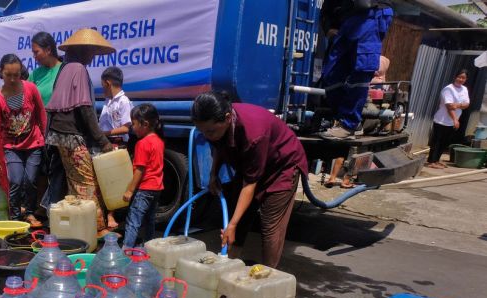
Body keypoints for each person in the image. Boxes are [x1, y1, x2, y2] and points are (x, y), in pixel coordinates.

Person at [192, 91, 309, 269]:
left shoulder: (253, 133)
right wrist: (213, 174)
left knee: (270, 227)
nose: (207, 136)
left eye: (210, 131)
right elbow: (218, 148)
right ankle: (229, 264)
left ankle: (267, 277)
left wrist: (232, 224)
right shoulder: (216, 128)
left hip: (281, 167)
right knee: (238, 216)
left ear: (227, 118)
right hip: (251, 166)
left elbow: (250, 185)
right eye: (202, 132)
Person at [45, 28, 114, 237]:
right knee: (86, 183)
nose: (93, 55)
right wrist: (102, 140)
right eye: (92, 50)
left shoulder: (65, 68)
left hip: (59, 134)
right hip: (72, 135)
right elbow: (85, 109)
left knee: (75, 183)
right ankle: (96, 228)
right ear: (84, 50)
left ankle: (78, 227)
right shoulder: (78, 69)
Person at [319, 0, 393, 140]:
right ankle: (346, 121)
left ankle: (349, 124)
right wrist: (328, 26)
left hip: (370, 14)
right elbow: (326, 10)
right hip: (345, 18)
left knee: (360, 69)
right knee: (331, 73)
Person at [0, 54, 47, 227]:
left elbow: (41, 115)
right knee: (15, 180)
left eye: (17, 74)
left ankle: (29, 213)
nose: (13, 79)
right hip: (11, 146)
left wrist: (46, 138)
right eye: (8, 75)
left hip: (34, 143)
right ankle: (14, 217)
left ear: (21, 72)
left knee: (30, 180)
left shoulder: (30, 89)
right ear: (1, 73)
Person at [28, 31, 67, 209]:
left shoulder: (64, 70)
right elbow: (25, 97)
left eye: (36, 52)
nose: (34, 56)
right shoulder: (35, 74)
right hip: (38, 131)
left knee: (58, 172)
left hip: (59, 129)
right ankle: (40, 209)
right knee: (41, 170)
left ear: (48, 49)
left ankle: (57, 208)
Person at [122, 104, 164, 249]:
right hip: (157, 188)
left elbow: (140, 170)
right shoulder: (159, 141)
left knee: (134, 220)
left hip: (144, 189)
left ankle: (126, 250)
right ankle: (148, 248)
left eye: (134, 123)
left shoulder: (142, 144)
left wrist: (129, 190)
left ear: (145, 124)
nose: (132, 127)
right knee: (149, 220)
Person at [99, 66, 133, 230]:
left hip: (117, 143)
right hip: (107, 143)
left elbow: (127, 127)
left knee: (114, 180)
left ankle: (113, 214)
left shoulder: (123, 101)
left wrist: (104, 133)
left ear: (107, 82)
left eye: (102, 85)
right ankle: (108, 214)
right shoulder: (109, 102)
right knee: (106, 180)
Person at [426, 69, 470, 169]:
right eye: (459, 77)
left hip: (452, 122)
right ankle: (431, 161)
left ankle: (437, 160)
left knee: (445, 142)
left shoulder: (464, 89)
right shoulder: (448, 89)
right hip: (442, 120)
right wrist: (455, 119)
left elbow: (467, 104)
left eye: (463, 78)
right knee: (437, 141)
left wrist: (457, 105)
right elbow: (449, 106)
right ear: (455, 77)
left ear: (466, 79)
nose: (461, 79)